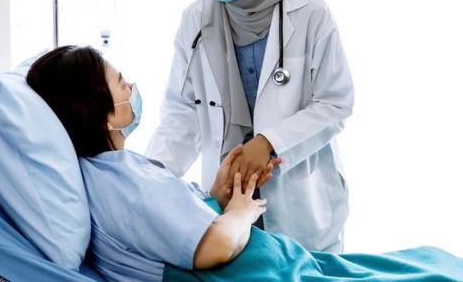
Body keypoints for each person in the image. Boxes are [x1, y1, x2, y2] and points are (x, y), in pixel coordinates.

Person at [26, 46, 463, 282]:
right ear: (102, 111)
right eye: (122, 83)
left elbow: (168, 230)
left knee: (428, 262)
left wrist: (217, 196)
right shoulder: (123, 184)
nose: (132, 87)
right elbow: (215, 247)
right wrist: (240, 211)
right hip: (263, 271)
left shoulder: (112, 172)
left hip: (274, 261)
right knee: (436, 272)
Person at [146, 0, 354, 253]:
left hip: (299, 199)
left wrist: (269, 142)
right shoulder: (195, 21)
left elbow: (335, 103)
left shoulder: (311, 14)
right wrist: (149, 178)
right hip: (228, 195)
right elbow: (182, 113)